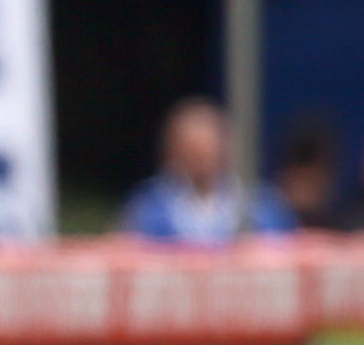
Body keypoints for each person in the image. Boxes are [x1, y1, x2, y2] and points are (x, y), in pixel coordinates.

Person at [121, 98, 295, 242]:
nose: (202, 161)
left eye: (208, 151)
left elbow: (284, 252)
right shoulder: (148, 207)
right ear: (173, 152)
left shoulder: (260, 205)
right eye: (192, 152)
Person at [271, 115, 342, 230]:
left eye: (314, 181)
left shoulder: (342, 225)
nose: (306, 190)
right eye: (302, 179)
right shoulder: (266, 222)